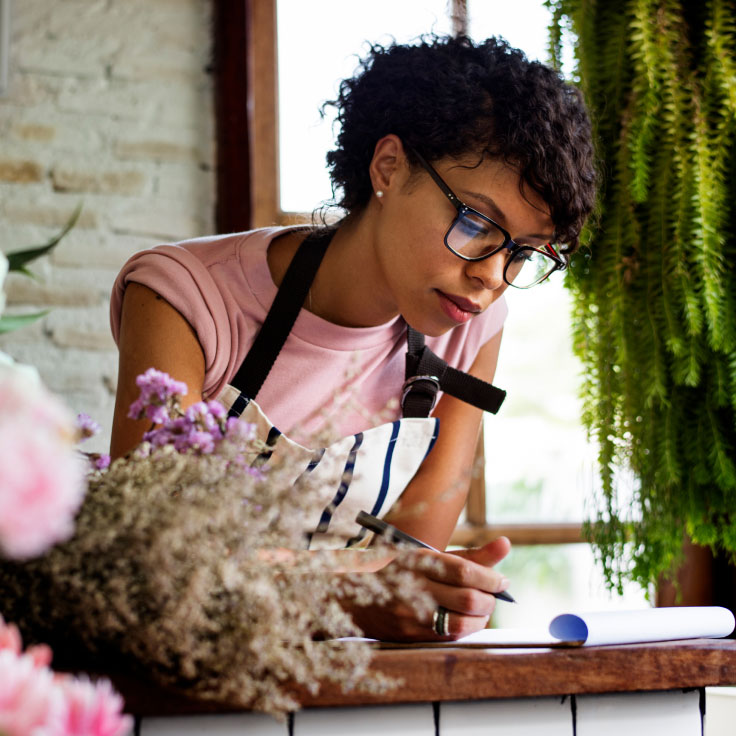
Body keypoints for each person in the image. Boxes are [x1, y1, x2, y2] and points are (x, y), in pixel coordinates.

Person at [109, 35, 597, 641]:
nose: (493, 276)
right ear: (388, 166)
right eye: (476, 223)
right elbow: (149, 565)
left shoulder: (473, 325)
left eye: (523, 254)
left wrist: (419, 593)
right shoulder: (182, 297)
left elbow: (409, 565)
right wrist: (345, 592)